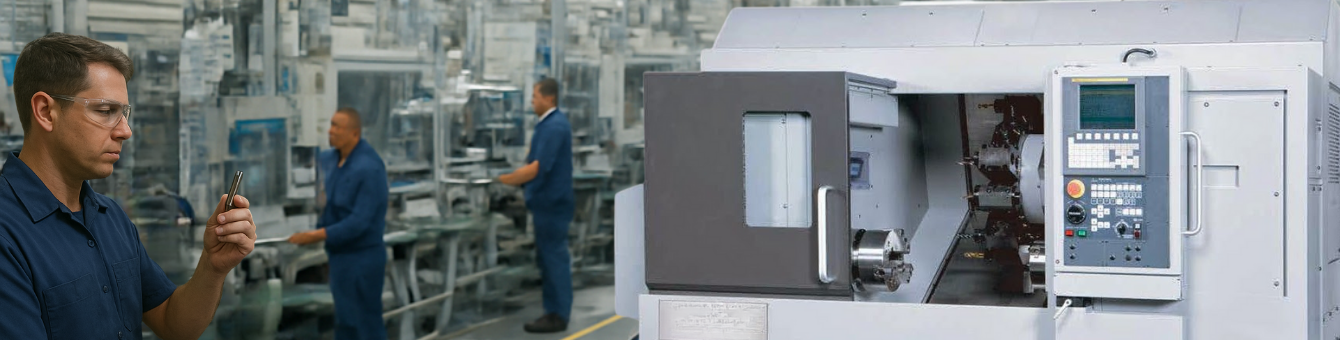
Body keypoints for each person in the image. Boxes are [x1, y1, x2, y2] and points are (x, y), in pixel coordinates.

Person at [0, 33, 257, 339]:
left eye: (124, 113)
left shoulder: (109, 218)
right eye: (105, 112)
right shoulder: (7, 234)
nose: (126, 131)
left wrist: (213, 266)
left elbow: (174, 324)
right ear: (45, 111)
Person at [288, 107, 389, 340]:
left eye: (338, 127)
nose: (331, 131)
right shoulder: (329, 160)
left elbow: (359, 222)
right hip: (340, 257)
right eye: (331, 125)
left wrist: (316, 235)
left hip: (362, 259)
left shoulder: (369, 168)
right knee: (345, 324)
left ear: (355, 133)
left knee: (365, 324)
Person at [499, 78, 575, 333]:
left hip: (552, 206)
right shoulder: (548, 125)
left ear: (549, 98)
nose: (532, 101)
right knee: (548, 258)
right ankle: (553, 310)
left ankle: (557, 315)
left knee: (553, 259)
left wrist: (502, 180)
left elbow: (536, 168)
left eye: (535, 96)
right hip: (547, 204)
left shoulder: (554, 127)